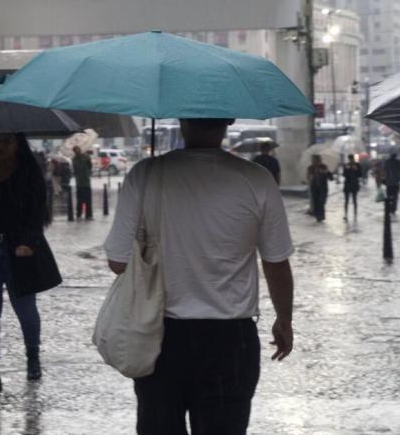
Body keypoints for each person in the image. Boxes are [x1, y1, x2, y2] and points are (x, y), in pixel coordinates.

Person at [105, 118, 294, 434]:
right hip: (231, 340)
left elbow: (118, 262)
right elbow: (275, 263)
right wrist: (284, 320)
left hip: (159, 336)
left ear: (181, 121)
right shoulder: (257, 180)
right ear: (229, 121)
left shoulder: (146, 174)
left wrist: (150, 238)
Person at [0, 133, 62, 398]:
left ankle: (33, 356)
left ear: (17, 143)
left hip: (19, 252)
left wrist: (28, 242)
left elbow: (38, 212)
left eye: (5, 141)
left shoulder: (29, 171)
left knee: (26, 310)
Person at [307, 155, 333, 222]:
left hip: (323, 188)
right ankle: (318, 216)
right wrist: (311, 177)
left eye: (316, 160)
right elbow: (308, 177)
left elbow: (331, 178)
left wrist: (325, 172)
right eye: (313, 160)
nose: (315, 161)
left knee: (322, 201)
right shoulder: (310, 168)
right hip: (314, 188)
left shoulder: (323, 166)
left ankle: (321, 215)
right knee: (316, 202)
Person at [72, 146, 94, 220]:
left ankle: (88, 215)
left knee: (87, 200)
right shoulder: (74, 159)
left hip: (86, 181)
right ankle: (79, 214)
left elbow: (90, 166)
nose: (77, 151)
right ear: (74, 152)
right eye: (76, 151)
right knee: (80, 200)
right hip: (79, 182)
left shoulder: (86, 157)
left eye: (78, 150)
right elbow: (75, 169)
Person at [342, 154, 362, 221]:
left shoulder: (357, 165)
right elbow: (344, 174)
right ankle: (345, 214)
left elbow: (360, 174)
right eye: (350, 159)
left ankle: (355, 213)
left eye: (352, 159)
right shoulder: (346, 165)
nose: (351, 160)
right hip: (347, 185)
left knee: (354, 200)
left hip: (354, 185)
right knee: (346, 200)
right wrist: (347, 169)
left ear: (353, 159)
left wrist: (356, 169)